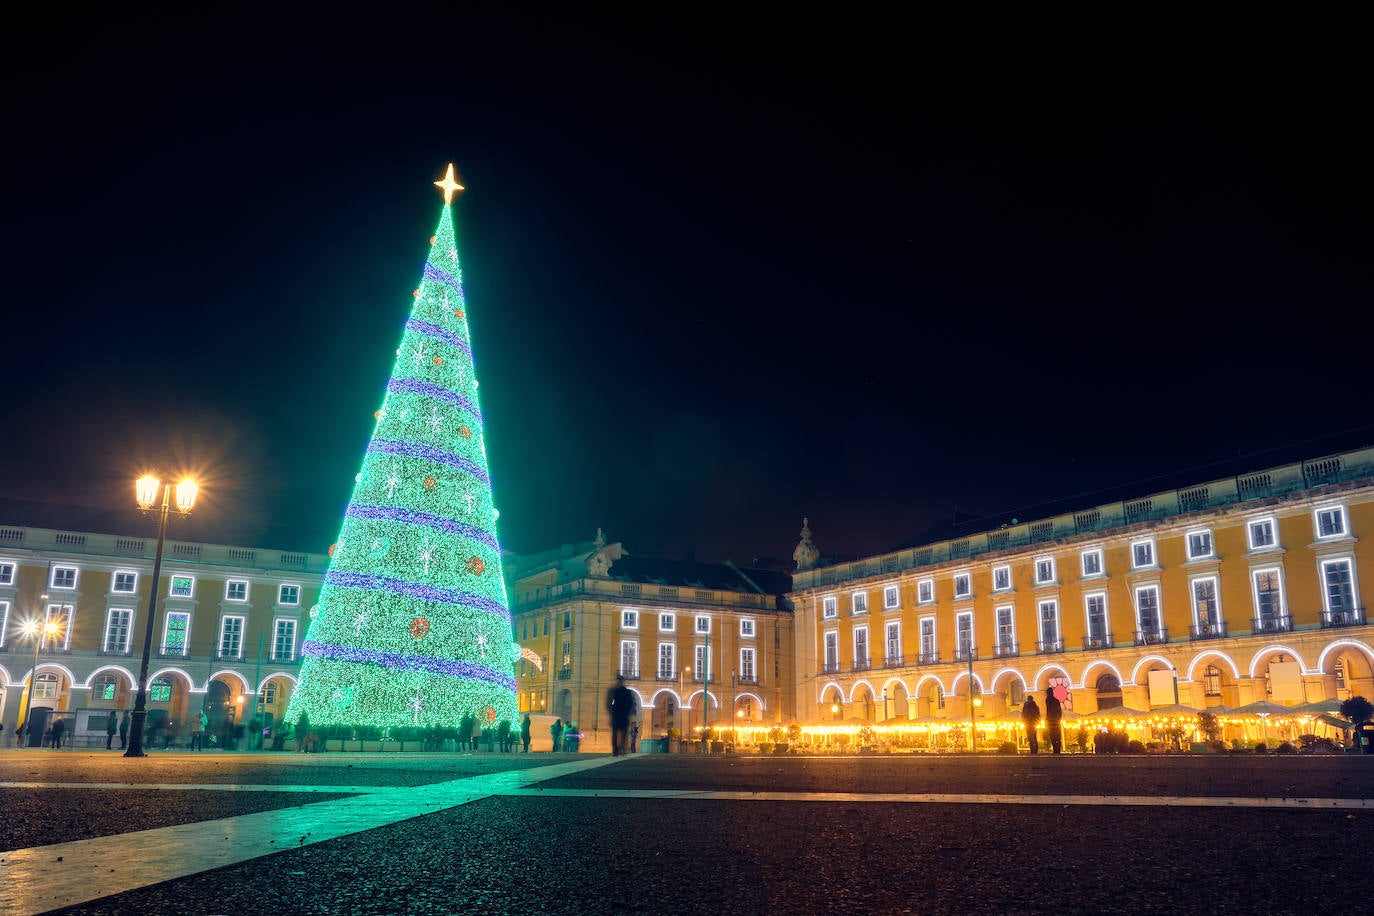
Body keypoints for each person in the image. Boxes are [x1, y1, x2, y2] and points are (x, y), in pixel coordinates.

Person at [607, 675, 636, 756]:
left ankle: (617, 749)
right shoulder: (626, 691)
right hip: (621, 713)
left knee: (618, 733)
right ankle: (619, 748)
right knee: (620, 733)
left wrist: (611, 711)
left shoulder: (614, 691)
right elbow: (630, 703)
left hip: (618, 713)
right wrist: (628, 711)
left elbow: (609, 702)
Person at [1044, 686, 1063, 754]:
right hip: (1055, 720)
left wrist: (1047, 719)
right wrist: (1059, 718)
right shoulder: (1055, 700)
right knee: (1057, 736)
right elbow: (1059, 710)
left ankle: (1056, 750)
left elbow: (1048, 710)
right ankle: (1057, 750)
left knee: (1053, 736)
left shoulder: (1048, 700)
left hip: (1051, 720)